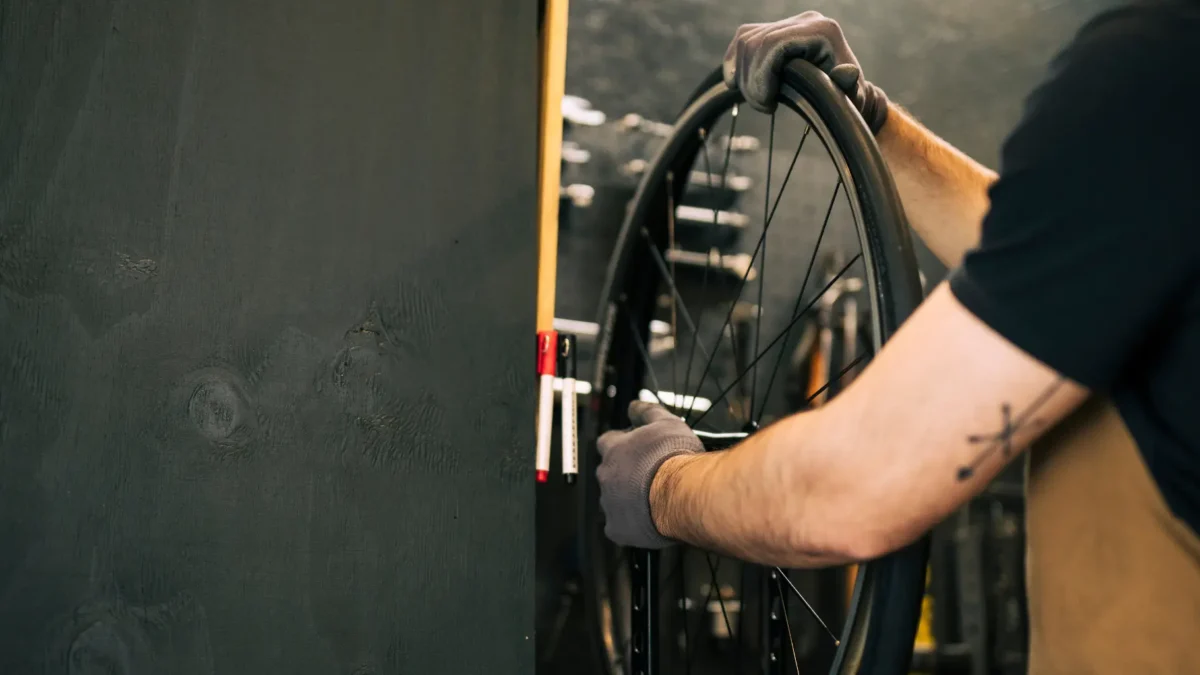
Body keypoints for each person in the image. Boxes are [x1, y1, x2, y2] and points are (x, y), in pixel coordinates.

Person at [595, 3, 1200, 673]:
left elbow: (852, 487)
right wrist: (875, 123)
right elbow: (1079, 262)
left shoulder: (1162, 69)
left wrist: (662, 485)